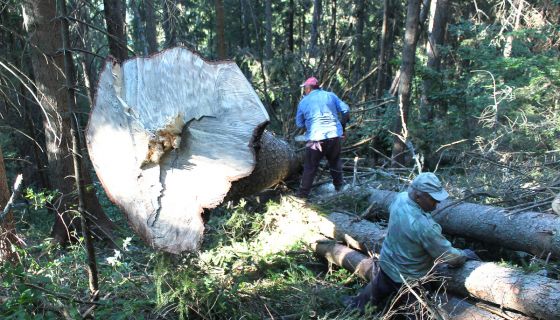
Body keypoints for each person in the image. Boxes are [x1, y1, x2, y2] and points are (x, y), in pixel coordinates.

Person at [347, 172, 480, 313]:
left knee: (376, 289)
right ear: (418, 196)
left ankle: (356, 306)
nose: (437, 203)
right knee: (419, 312)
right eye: (433, 199)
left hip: (388, 264)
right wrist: (463, 255)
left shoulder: (401, 198)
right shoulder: (424, 226)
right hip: (410, 279)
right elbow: (450, 257)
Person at [294, 76, 350, 199]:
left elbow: (299, 123)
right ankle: (340, 189)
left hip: (315, 138)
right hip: (334, 135)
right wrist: (343, 128)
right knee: (335, 162)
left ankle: (302, 195)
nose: (304, 90)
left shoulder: (304, 102)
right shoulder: (331, 95)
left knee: (310, 166)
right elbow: (346, 110)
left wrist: (308, 123)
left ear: (308, 88)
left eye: (305, 88)